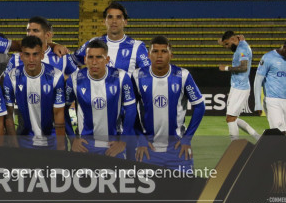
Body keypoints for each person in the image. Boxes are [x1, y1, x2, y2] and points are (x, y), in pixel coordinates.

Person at [132, 36, 205, 172]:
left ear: (171, 55)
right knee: (148, 192)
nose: (159, 55)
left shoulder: (182, 75)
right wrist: (140, 138)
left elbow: (200, 106)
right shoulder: (137, 76)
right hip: (148, 150)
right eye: (155, 51)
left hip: (178, 149)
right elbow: (130, 109)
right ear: (148, 55)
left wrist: (187, 138)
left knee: (186, 192)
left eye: (164, 51)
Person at [66, 40, 137, 157]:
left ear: (107, 60)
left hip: (113, 146)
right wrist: (73, 139)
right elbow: (63, 109)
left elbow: (131, 109)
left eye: (99, 57)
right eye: (90, 57)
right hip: (85, 146)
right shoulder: (74, 79)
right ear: (85, 59)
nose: (94, 62)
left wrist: (123, 140)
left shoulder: (121, 76)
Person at [2, 36, 67, 150]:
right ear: (21, 56)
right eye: (27, 54)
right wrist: (14, 144)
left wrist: (61, 146)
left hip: (52, 141)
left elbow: (59, 114)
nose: (31, 59)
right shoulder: (12, 77)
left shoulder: (55, 76)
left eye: (35, 54)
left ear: (42, 55)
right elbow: (8, 115)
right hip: (24, 141)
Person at [71, 1, 150, 75]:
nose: (114, 21)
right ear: (104, 21)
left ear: (125, 22)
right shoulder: (93, 42)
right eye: (110, 17)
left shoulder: (137, 46)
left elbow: (148, 72)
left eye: (118, 17)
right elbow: (73, 61)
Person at [253, 37, 286, 137]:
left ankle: (273, 150)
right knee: (280, 134)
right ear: (284, 46)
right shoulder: (268, 57)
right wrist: (257, 102)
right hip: (272, 100)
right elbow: (258, 80)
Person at [217, 31, 260, 141]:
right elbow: (232, 43)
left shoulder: (242, 49)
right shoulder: (240, 44)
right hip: (237, 86)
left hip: (240, 88)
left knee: (230, 119)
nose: (226, 47)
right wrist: (222, 42)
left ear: (233, 40)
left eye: (227, 44)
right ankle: (257, 137)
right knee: (233, 118)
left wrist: (226, 68)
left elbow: (244, 67)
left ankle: (234, 145)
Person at [6, 16, 77, 76]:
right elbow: (6, 82)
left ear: (47, 35)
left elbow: (78, 80)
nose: (30, 34)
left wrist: (61, 80)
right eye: (28, 31)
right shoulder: (16, 58)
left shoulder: (62, 57)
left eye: (35, 31)